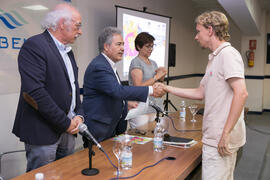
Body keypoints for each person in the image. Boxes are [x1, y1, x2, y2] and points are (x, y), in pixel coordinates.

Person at [158, 11, 248, 180]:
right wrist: (167, 88)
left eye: (198, 31)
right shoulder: (214, 58)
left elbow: (241, 93)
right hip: (214, 136)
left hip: (220, 138)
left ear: (210, 30)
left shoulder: (228, 54)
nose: (196, 36)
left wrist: (226, 133)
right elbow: (200, 93)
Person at [12, 3, 84, 172]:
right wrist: (65, 123)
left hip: (69, 129)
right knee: (43, 175)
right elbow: (34, 92)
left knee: (66, 174)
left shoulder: (68, 51)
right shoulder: (35, 45)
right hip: (43, 132)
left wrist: (79, 114)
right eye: (77, 25)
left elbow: (73, 87)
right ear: (61, 23)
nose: (80, 31)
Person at [82, 27, 165, 143]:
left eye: (123, 44)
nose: (122, 48)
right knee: (99, 160)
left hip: (111, 123)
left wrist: (125, 103)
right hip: (100, 126)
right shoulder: (99, 66)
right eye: (119, 44)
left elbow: (110, 92)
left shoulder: (108, 64)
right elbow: (117, 91)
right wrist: (150, 90)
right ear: (106, 46)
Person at [128, 32, 167, 129]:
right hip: (141, 109)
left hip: (155, 106)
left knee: (157, 137)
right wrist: (156, 77)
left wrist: (161, 77)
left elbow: (156, 83)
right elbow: (138, 87)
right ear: (138, 47)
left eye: (152, 46)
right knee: (142, 140)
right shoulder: (136, 62)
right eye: (148, 46)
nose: (151, 49)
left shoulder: (153, 63)